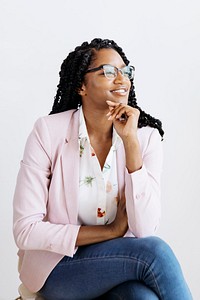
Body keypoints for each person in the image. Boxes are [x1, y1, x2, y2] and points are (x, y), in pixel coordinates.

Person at [13, 38, 192, 300]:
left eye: (126, 71)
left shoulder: (145, 138)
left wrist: (130, 143)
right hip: (60, 268)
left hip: (120, 263)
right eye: (109, 72)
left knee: (142, 298)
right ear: (81, 86)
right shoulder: (48, 132)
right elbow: (25, 229)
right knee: (156, 252)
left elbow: (144, 229)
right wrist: (109, 232)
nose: (122, 79)